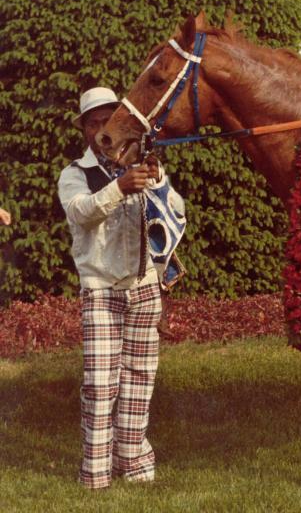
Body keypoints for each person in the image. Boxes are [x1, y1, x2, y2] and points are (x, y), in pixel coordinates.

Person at [58, 86, 178, 489]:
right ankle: (95, 473)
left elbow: (177, 213)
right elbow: (80, 214)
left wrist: (160, 187)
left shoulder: (144, 165)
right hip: (101, 289)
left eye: (107, 119)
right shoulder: (75, 174)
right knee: (101, 383)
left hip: (145, 285)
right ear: (84, 129)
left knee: (140, 379)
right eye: (94, 122)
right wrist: (120, 187)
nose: (100, 128)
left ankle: (135, 463)